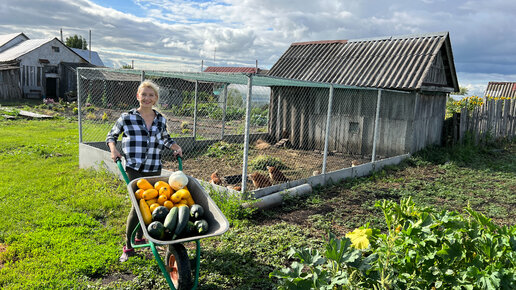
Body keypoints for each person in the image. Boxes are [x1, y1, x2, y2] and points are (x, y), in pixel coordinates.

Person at [106, 80, 182, 262]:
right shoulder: (127, 117)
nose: (147, 98)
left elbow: (165, 139)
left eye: (151, 95)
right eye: (144, 94)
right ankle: (128, 245)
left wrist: (175, 147)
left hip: (153, 167)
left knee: (152, 202)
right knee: (138, 204)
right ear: (138, 96)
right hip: (134, 168)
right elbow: (112, 135)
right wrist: (113, 149)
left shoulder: (160, 119)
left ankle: (141, 235)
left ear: (155, 99)